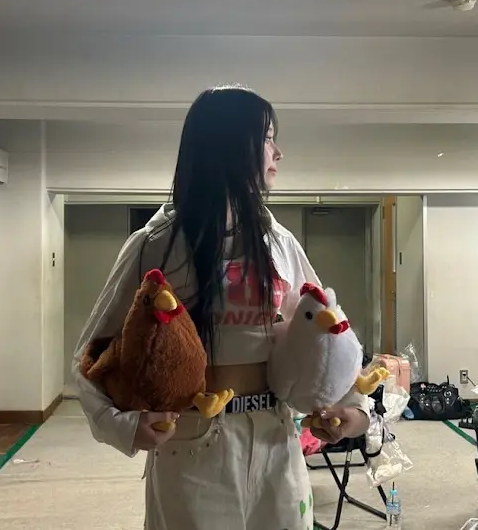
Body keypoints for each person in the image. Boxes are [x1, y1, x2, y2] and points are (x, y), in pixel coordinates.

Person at [72, 85, 370, 530]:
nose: (278, 152)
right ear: (231, 144)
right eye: (267, 138)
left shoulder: (279, 244)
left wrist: (352, 409)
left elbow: (323, 333)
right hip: (191, 445)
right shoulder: (157, 246)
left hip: (275, 440)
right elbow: (89, 357)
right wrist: (123, 425)